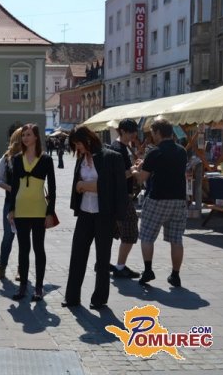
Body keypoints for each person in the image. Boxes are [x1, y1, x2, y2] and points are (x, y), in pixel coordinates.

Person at [62, 126, 126, 310]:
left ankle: (99, 298)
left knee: (103, 258)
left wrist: (85, 185)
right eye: (75, 145)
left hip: (104, 215)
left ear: (88, 139)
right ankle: (72, 297)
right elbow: (78, 185)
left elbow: (112, 188)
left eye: (78, 143)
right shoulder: (81, 159)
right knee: (77, 255)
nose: (77, 148)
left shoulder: (111, 157)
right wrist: (83, 186)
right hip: (85, 212)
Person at [131, 118, 187, 288]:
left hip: (158, 198)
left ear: (158, 133)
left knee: (147, 236)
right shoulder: (182, 151)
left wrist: (134, 170)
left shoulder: (155, 152)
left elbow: (142, 179)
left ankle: (148, 271)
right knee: (176, 239)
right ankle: (175, 275)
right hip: (179, 199)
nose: (152, 136)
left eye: (153, 133)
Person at [7, 124, 56, 301]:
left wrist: (50, 212)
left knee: (38, 248)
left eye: (28, 135)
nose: (25, 138)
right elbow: (14, 186)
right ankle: (22, 287)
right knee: (23, 249)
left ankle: (39, 287)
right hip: (21, 208)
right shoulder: (17, 158)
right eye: (23, 135)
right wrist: (11, 209)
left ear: (36, 137)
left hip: (39, 209)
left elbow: (52, 188)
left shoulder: (46, 159)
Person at [109, 119, 141, 279]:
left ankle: (102, 263)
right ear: (122, 131)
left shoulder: (121, 147)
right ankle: (120, 267)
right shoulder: (118, 149)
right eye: (131, 132)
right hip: (121, 197)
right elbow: (118, 176)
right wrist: (134, 170)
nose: (134, 135)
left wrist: (133, 167)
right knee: (130, 230)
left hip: (118, 197)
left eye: (135, 131)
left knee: (111, 231)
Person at [0, 127, 22, 280]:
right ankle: (1, 267)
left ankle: (21, 269)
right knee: (8, 236)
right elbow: (0, 180)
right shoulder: (7, 158)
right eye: (23, 137)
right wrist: (12, 188)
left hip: (27, 204)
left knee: (23, 239)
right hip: (10, 203)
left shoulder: (31, 157)